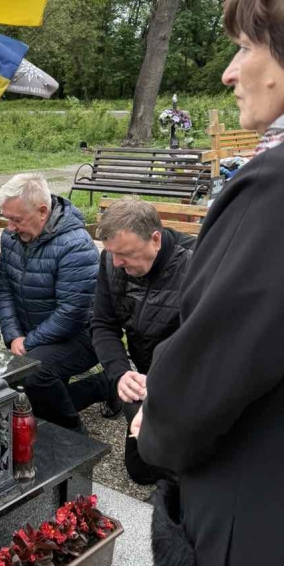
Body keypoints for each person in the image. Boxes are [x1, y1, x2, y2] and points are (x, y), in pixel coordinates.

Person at [135, 0, 284, 566]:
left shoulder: (273, 192)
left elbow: (199, 383)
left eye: (244, 46)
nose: (229, 71)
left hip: (258, 523)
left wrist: (149, 431)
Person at [91, 198, 194, 483]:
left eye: (125, 254)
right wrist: (120, 374)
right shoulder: (111, 261)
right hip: (143, 376)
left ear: (155, 240)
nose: (116, 263)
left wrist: (162, 390)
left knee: (178, 470)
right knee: (141, 470)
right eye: (112, 253)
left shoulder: (197, 264)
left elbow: (209, 347)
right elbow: (102, 324)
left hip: (188, 381)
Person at [0, 173, 103, 432]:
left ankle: (75, 434)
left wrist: (28, 343)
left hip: (80, 336)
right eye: (7, 218)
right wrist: (13, 336)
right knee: (24, 395)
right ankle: (103, 388)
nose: (10, 227)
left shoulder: (75, 245)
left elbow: (71, 313)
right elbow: (4, 289)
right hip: (35, 334)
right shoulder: (11, 238)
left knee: (32, 376)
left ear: (42, 211)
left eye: (16, 219)